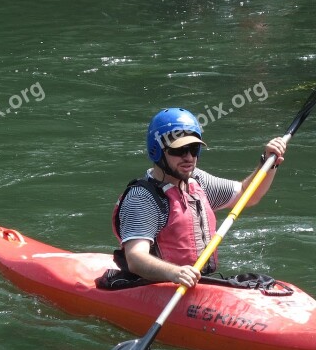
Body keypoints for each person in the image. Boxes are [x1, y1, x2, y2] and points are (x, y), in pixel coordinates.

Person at [112, 108, 286, 289]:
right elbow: (136, 259)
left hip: (198, 282)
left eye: (194, 149)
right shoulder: (142, 198)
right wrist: (175, 273)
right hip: (156, 285)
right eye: (179, 150)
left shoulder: (197, 181)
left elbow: (247, 195)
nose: (188, 157)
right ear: (157, 150)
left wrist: (268, 163)